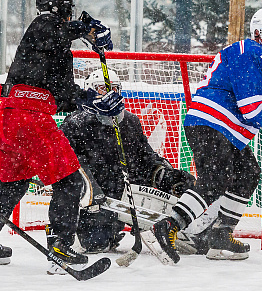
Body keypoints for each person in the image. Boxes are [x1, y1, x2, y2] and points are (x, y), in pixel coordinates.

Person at [0, 0, 124, 273]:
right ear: (58, 9)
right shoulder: (44, 25)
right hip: (29, 119)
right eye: (67, 9)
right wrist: (88, 28)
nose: (69, 15)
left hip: (11, 116)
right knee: (69, 181)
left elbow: (64, 94)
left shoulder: (54, 49)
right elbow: (53, 29)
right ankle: (60, 247)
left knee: (13, 182)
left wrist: (93, 101)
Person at [153, 8, 262, 264]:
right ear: (258, 34)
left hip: (228, 131)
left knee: (248, 173)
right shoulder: (248, 51)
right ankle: (169, 225)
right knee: (216, 178)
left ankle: (220, 235)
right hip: (210, 123)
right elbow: (251, 107)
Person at [59, 68, 196, 253]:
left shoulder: (129, 121)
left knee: (183, 181)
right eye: (102, 88)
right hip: (95, 200)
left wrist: (163, 173)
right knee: (96, 244)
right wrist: (91, 191)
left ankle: (176, 227)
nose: (109, 93)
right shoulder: (75, 123)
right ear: (90, 89)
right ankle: (94, 229)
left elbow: (146, 158)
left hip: (127, 192)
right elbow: (71, 165)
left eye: (114, 89)